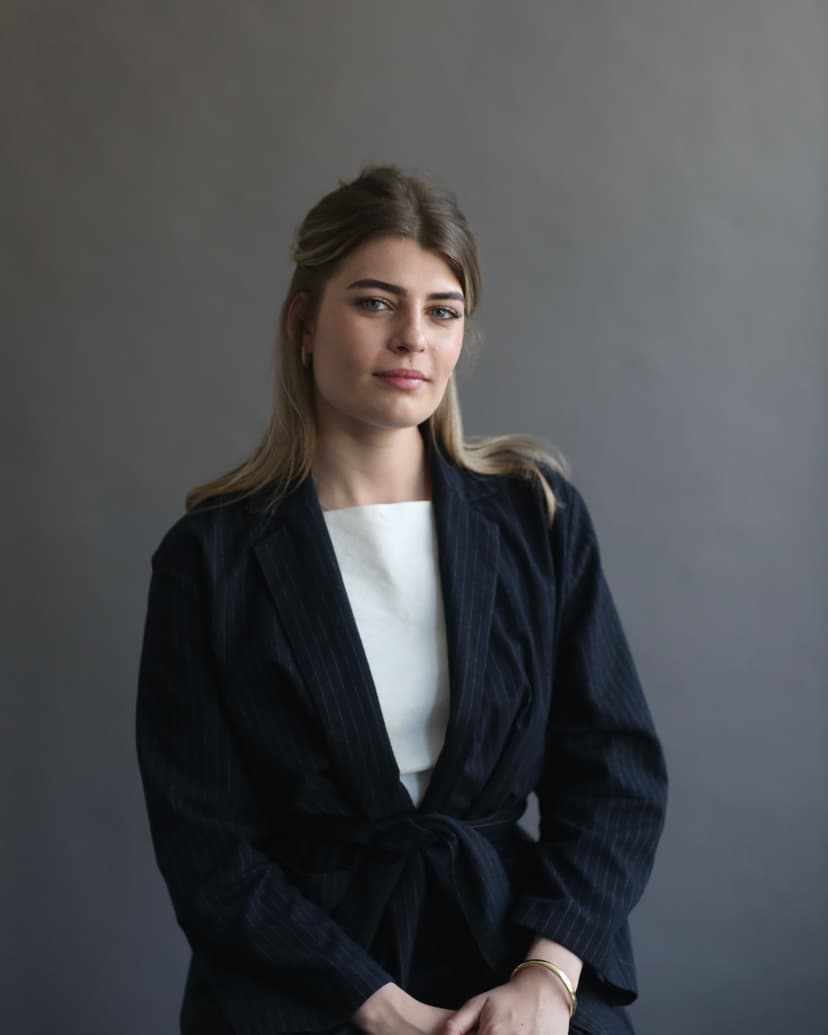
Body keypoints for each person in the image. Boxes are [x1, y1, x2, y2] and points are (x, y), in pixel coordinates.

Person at [136, 164, 668, 1035]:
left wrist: (548, 975)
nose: (413, 337)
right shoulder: (212, 560)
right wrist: (375, 1007)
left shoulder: (536, 517)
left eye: (443, 310)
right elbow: (208, 850)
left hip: (513, 977)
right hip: (301, 991)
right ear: (304, 323)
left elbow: (616, 776)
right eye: (376, 302)